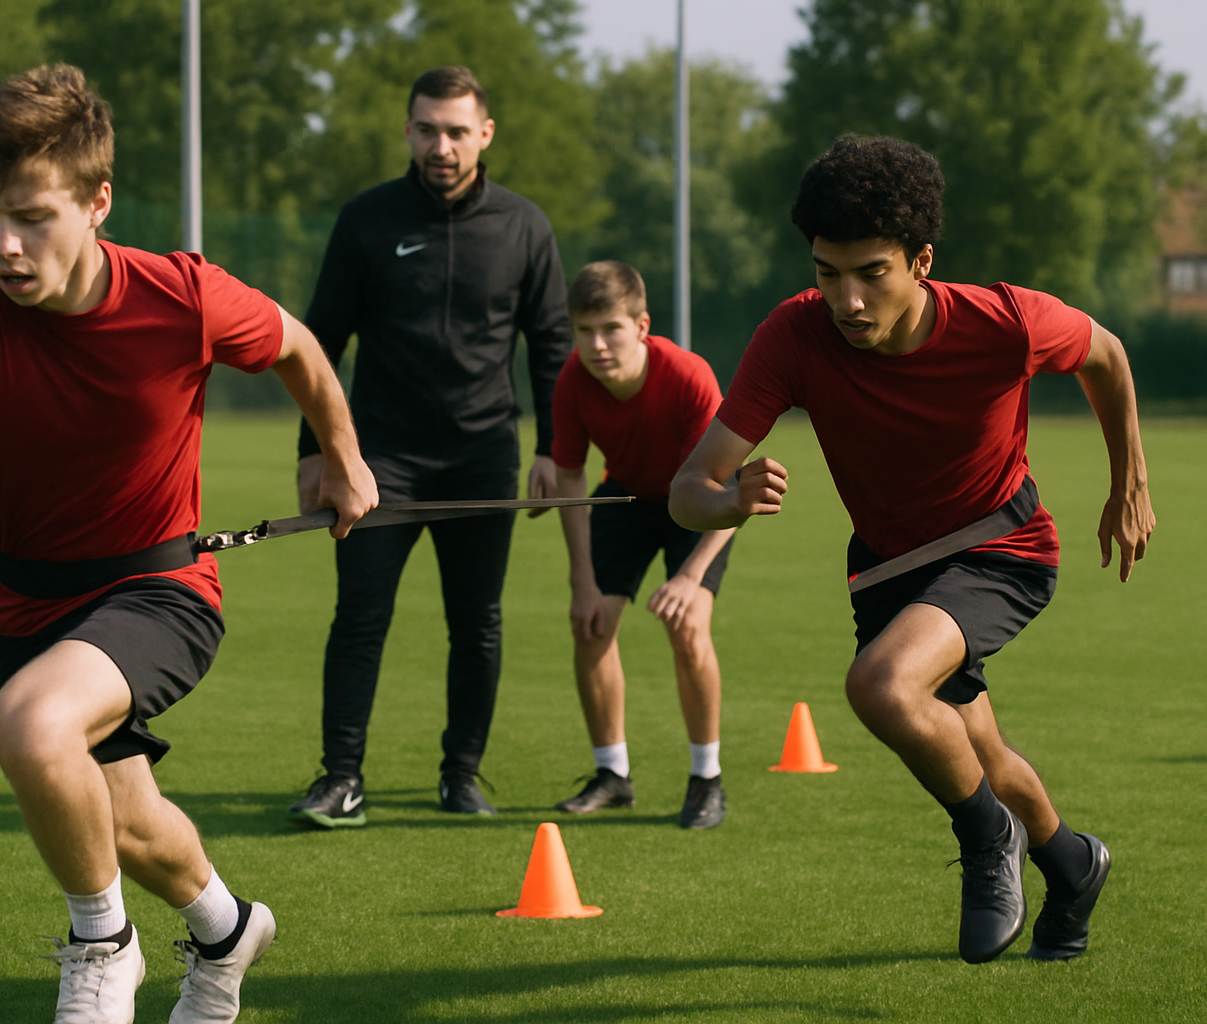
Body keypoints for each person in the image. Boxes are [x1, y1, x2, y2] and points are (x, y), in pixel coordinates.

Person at [0, 65, 378, 1024]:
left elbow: (301, 349)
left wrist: (342, 459)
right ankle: (228, 935)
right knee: (129, 826)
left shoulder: (181, 296)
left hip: (162, 592)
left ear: (97, 202)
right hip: (25, 603)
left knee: (30, 727)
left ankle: (103, 945)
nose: (4, 246)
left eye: (31, 216)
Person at [669, 135, 1152, 963]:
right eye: (827, 273)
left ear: (921, 260)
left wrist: (1129, 480)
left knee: (883, 686)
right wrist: (730, 498)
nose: (847, 300)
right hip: (891, 572)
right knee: (982, 751)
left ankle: (986, 841)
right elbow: (688, 491)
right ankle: (1073, 864)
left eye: (871, 273)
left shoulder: (1005, 322)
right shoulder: (793, 336)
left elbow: (1105, 354)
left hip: (1001, 547)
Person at [288, 66, 573, 826]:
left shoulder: (524, 226)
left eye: (455, 131)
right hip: (379, 459)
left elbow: (551, 344)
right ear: (408, 131)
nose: (440, 145)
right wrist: (314, 453)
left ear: (484, 134)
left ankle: (462, 774)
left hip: (484, 456)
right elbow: (319, 343)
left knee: (477, 621)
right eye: (426, 130)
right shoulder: (367, 220)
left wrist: (553, 447)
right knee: (360, 616)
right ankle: (340, 777)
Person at [548, 261, 736, 828]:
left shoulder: (687, 375)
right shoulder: (572, 383)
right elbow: (572, 481)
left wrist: (689, 578)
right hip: (627, 496)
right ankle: (613, 774)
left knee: (687, 625)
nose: (597, 345)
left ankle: (707, 780)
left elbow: (729, 485)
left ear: (642, 325)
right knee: (591, 624)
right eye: (584, 331)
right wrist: (582, 581)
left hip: (697, 498)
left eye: (611, 328)